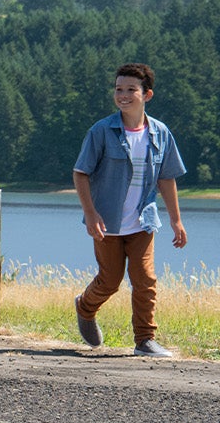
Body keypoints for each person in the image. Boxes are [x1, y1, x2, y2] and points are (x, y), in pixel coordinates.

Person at [73, 63, 187, 357]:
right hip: (107, 222)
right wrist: (90, 213)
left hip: (143, 221)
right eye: (118, 89)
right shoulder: (101, 131)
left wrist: (176, 221)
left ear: (147, 94)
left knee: (145, 280)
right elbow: (81, 173)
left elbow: (167, 178)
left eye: (130, 90)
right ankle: (85, 307)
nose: (123, 95)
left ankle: (145, 340)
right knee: (110, 281)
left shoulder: (160, 133)